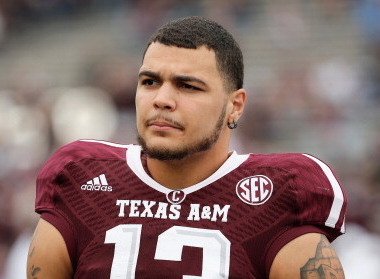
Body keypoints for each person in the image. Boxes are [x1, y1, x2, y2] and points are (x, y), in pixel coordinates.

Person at [26, 16, 347, 279]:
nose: (162, 99)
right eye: (149, 81)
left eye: (188, 86)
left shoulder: (281, 192)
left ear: (235, 106)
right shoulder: (82, 178)